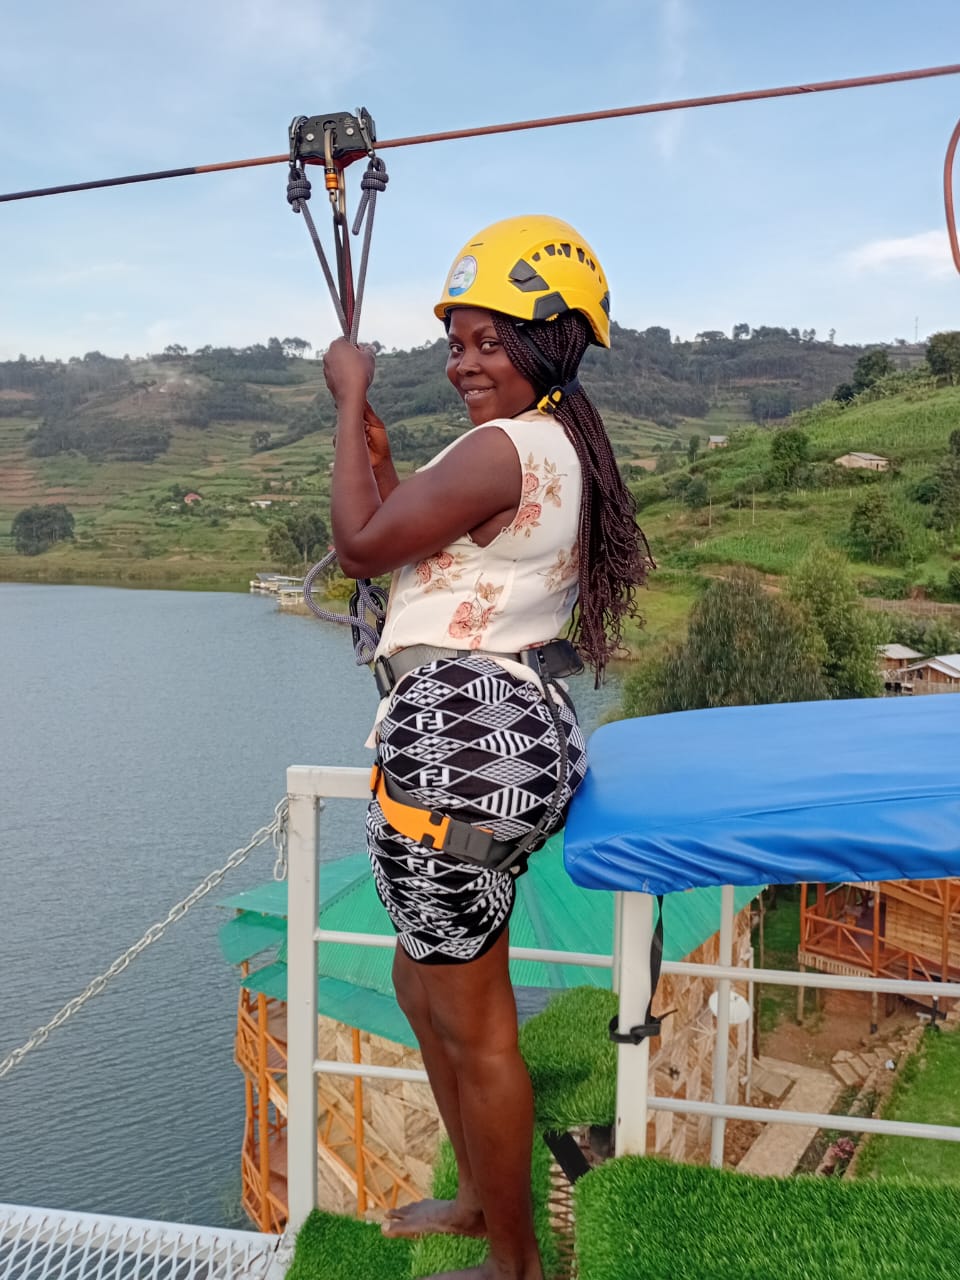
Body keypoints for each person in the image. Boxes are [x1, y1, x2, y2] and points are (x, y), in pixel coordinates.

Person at [323, 215, 652, 1280]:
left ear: (554, 339)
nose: (466, 362)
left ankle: (514, 1261)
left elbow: (360, 546)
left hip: (462, 746)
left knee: (477, 1025)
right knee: (425, 985)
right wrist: (374, 447)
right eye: (457, 341)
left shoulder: (511, 445)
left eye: (491, 341)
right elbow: (411, 539)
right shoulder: (550, 443)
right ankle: (479, 1200)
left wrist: (341, 400)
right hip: (491, 737)